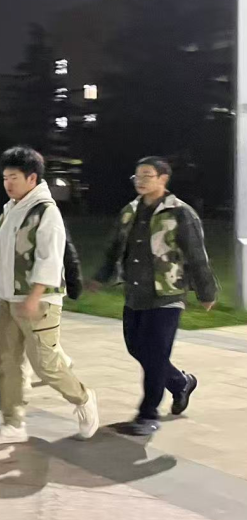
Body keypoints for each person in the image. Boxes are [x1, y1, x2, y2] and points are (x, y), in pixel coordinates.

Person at [0, 146, 98, 445]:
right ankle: (12, 424)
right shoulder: (10, 209)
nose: (8, 184)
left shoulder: (46, 211)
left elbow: (50, 258)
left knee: (45, 364)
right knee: (6, 362)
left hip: (38, 301)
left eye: (14, 178)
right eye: (5, 178)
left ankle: (83, 397)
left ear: (32, 178)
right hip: (6, 300)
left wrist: (34, 296)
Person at [90, 156, 216, 436]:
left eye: (147, 175)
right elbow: (114, 248)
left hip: (167, 294)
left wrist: (206, 291)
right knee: (137, 347)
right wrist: (101, 276)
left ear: (163, 178)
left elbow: (196, 254)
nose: (140, 181)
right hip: (136, 293)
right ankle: (180, 382)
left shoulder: (180, 213)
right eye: (137, 176)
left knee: (156, 354)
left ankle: (148, 414)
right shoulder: (130, 211)